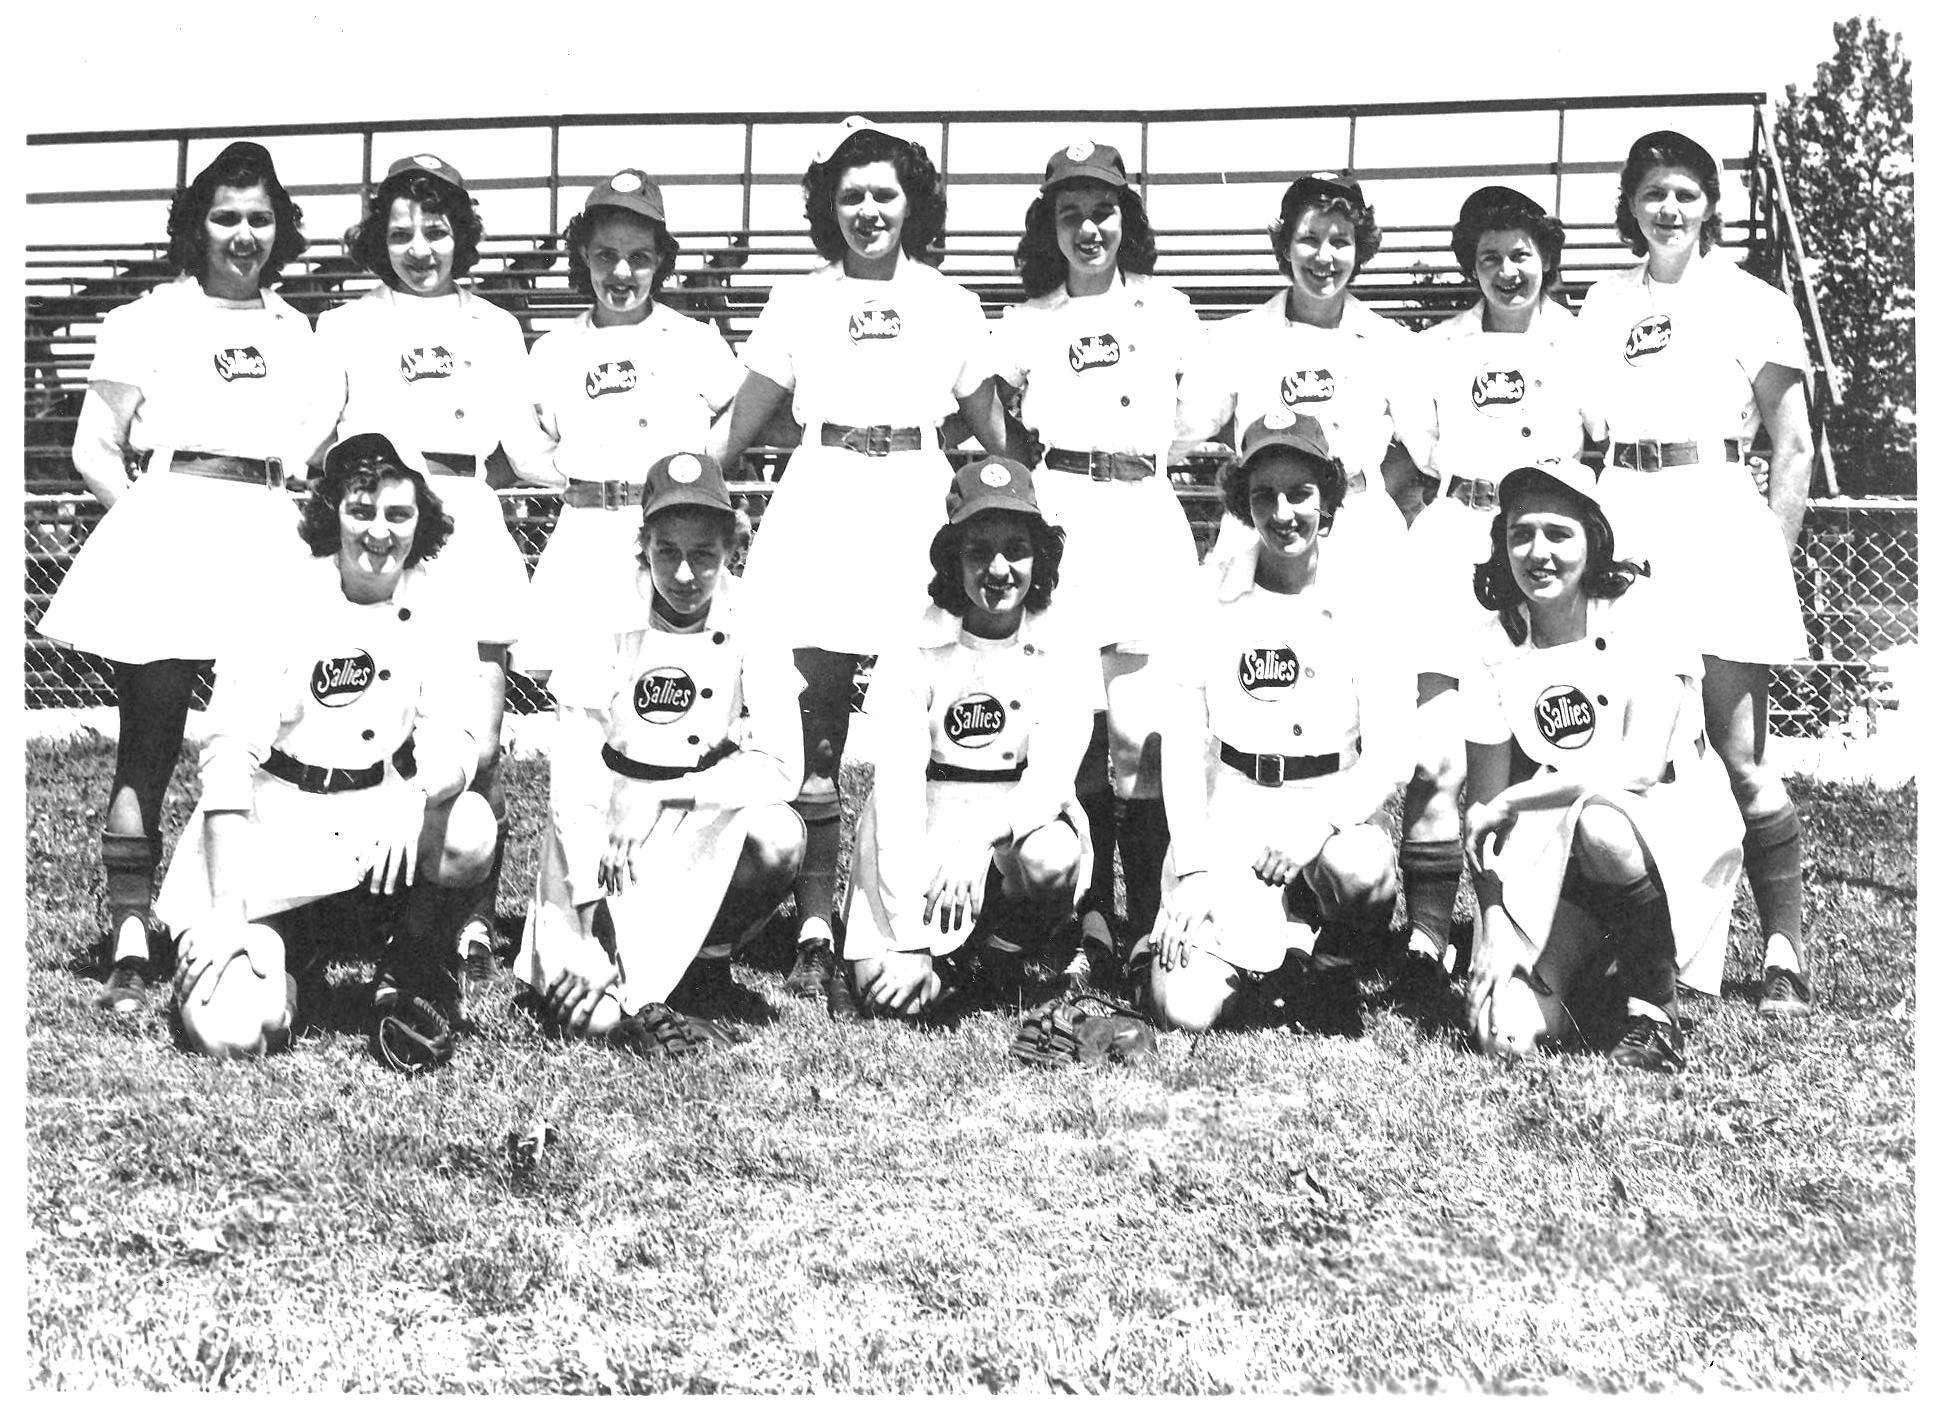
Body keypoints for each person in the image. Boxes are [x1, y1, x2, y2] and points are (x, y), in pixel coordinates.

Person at [710, 116, 1008, 1003]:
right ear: (826, 207)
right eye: (850, 196)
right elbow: (739, 424)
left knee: (923, 717)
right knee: (815, 719)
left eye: (884, 193)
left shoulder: (951, 302)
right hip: (824, 491)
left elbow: (994, 435)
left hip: (917, 493)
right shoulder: (798, 299)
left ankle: (888, 917)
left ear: (913, 201)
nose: (868, 209)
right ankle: (810, 919)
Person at [38, 140, 338, 1016]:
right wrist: (149, 521)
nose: (243, 235)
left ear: (280, 230)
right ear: (196, 225)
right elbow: (92, 447)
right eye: (226, 217)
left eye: (260, 219)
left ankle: (257, 915)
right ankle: (134, 931)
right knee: (151, 735)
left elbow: (304, 445)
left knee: (273, 731)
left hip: (269, 531)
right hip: (174, 519)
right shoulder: (145, 319)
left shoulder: (296, 330)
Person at [151, 431, 499, 1066]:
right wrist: (228, 914)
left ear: (421, 518)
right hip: (271, 838)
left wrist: (416, 794)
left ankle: (413, 964)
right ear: (331, 510)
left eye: (398, 513)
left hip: (373, 824)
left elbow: (460, 737)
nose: (378, 532)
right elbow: (227, 753)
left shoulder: (439, 601)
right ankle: (287, 964)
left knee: (469, 827)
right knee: (235, 1035)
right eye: (360, 510)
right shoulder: (280, 596)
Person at [1575, 130, 1815, 1018]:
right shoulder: (1603, 300)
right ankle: (1640, 945)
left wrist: (1766, 557)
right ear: (1630, 208)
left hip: (1716, 509)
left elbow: (1791, 444)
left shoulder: (1752, 299)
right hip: (1626, 507)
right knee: (1633, 744)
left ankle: (1784, 946)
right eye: (1651, 195)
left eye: (1684, 192)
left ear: (1709, 202)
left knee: (1735, 750)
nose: (1668, 210)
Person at [316, 153, 559, 999]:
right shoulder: (343, 326)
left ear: (464, 233)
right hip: (387, 526)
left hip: (472, 520)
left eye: (438, 228)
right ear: (380, 240)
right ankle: (375, 901)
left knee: (481, 743)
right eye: (403, 232)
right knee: (379, 721)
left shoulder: (495, 326)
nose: (422, 247)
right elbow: (315, 435)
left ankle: (470, 915)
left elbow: (528, 448)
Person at [992, 139, 1204, 983]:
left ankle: (1149, 917)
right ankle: (1090, 920)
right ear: (1050, 222)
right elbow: (996, 421)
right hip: (1066, 513)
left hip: (1145, 513)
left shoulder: (1169, 310)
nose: (1088, 228)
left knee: (1141, 729)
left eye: (1103, 210)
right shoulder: (1028, 321)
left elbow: (1193, 420)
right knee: (1072, 721)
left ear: (1129, 217)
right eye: (1070, 212)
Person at [513, 452, 805, 1053]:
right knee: (590, 1017)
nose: (684, 573)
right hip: (604, 829)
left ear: (732, 548)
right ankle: (627, 976)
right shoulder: (604, 611)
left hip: (695, 811)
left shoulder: (756, 611)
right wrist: (591, 915)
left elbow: (783, 765)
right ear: (643, 544)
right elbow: (574, 781)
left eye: (704, 554)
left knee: (779, 836)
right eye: (667, 550)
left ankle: (704, 967)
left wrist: (667, 793)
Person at [1462, 459, 1744, 1071]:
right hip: (1559, 839)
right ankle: (1598, 964)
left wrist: (1514, 802)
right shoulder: (1493, 641)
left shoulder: (1643, 611)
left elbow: (1639, 767)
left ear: (1595, 540)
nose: (1538, 552)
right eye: (1520, 533)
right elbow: (1481, 810)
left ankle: (1654, 1011)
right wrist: (1493, 926)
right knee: (1502, 1034)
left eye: (1559, 534)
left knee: (1603, 825)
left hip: (1668, 823)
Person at [1144, 414, 1412, 1034]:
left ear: (1328, 496)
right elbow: (1183, 745)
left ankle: (1329, 967)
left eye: (1300, 493)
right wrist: (1193, 872)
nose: (1283, 512)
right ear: (1243, 502)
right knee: (1180, 1010)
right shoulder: (1209, 591)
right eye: (1263, 495)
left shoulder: (1365, 593)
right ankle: (1273, 958)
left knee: (1361, 868)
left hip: (1326, 807)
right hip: (1232, 809)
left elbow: (1393, 752)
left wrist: (1316, 825)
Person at [1397, 186, 1588, 976]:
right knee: (1440, 751)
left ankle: (1521, 926)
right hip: (1456, 540)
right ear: (1469, 267)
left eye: (1520, 255)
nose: (1507, 272)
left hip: (1539, 550)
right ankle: (1428, 936)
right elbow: (1413, 460)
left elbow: (1599, 450)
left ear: (1546, 258)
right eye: (1489, 259)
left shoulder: (1581, 344)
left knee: (1540, 748)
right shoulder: (1437, 349)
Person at [837, 456, 1095, 1019]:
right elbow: (898, 794)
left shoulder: (1067, 638)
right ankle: (944, 953)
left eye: (1016, 550)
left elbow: (1051, 780)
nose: (998, 570)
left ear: (1041, 555)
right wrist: (908, 940)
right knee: (890, 996)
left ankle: (1003, 951)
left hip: (1012, 826)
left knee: (1054, 855)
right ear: (954, 559)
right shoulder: (914, 640)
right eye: (979, 552)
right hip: (924, 820)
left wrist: (979, 843)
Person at [521, 169, 745, 676]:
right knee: (578, 690)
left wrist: (699, 466)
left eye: (639, 258)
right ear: (583, 255)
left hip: (664, 533)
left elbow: (741, 408)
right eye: (606, 255)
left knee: (666, 675)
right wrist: (573, 480)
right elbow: (528, 445)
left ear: (661, 261)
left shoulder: (693, 341)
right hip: (585, 532)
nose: (621, 273)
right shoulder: (554, 350)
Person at [1176, 171, 1429, 574]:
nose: (1324, 257)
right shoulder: (1234, 339)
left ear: (1359, 250)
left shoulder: (1392, 344)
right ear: (1286, 247)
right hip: (1264, 529)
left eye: (1340, 241)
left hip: (1360, 535)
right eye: (1309, 239)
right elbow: (1175, 436)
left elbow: (1432, 453)